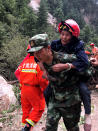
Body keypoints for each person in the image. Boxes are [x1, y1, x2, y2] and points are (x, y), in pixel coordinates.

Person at [28, 33, 82, 131]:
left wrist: (68, 66)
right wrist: (43, 70)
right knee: (49, 127)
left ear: (48, 48)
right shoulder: (40, 59)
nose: (36, 55)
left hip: (70, 102)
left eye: (39, 51)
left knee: (72, 128)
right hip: (54, 100)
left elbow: (86, 69)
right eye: (34, 52)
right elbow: (36, 58)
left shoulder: (66, 59)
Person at [44, 19, 91, 131]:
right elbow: (41, 54)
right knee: (47, 92)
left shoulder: (78, 46)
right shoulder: (55, 44)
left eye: (67, 35)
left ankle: (88, 115)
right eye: (62, 34)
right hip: (60, 79)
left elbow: (84, 62)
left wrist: (66, 66)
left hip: (76, 74)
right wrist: (43, 70)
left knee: (84, 90)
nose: (64, 37)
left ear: (73, 36)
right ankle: (51, 110)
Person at [19, 52, 48, 131]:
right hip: (34, 89)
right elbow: (42, 80)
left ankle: (25, 127)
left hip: (24, 89)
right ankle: (27, 127)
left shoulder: (24, 63)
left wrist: (21, 88)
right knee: (39, 108)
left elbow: (20, 77)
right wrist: (46, 89)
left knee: (26, 110)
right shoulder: (38, 62)